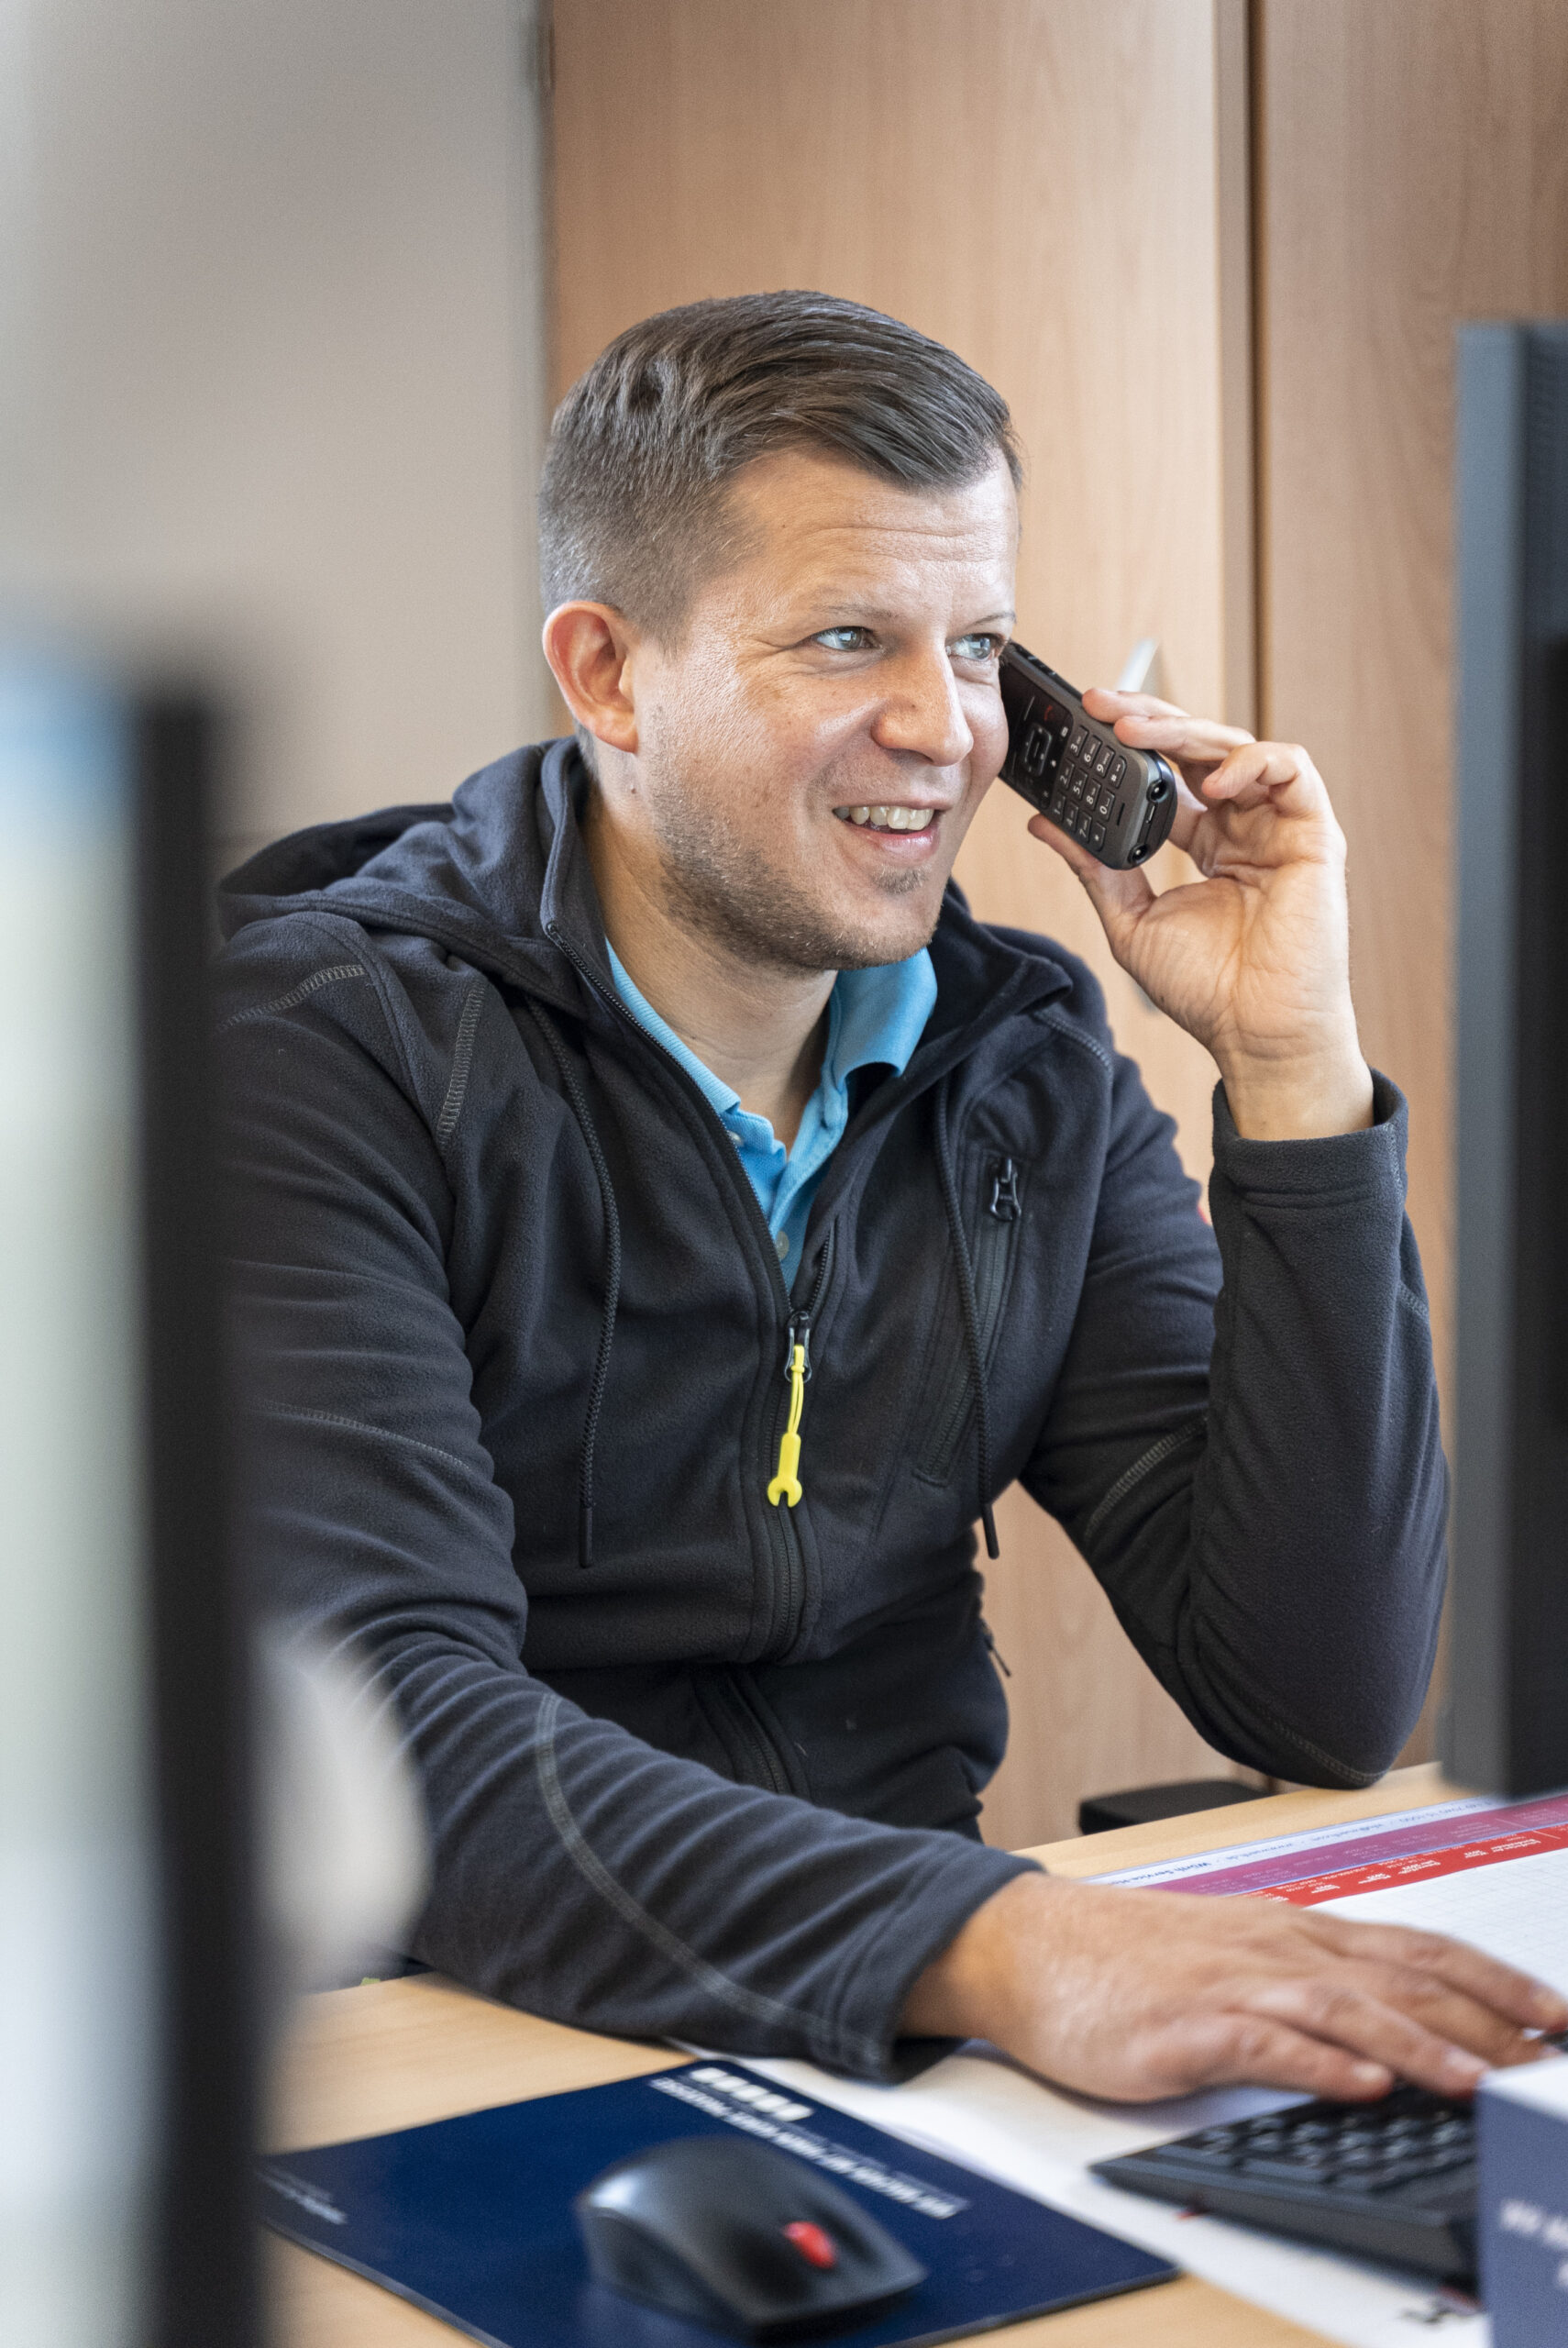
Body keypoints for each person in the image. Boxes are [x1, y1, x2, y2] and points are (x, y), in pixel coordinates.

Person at [218, 292, 1564, 2103]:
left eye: (984, 643)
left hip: (920, 2043)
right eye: (852, 638)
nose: (947, 727)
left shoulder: (1024, 1062)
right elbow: (396, 1743)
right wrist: (1010, 1941)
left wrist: (1294, 1067)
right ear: (609, 672)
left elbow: (1314, 1683)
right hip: (466, 2038)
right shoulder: (319, 1053)